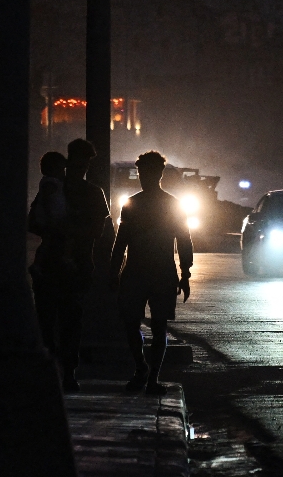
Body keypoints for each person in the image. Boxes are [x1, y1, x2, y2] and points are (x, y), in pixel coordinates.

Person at [109, 151, 193, 395]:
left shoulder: (133, 203)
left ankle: (145, 372)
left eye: (146, 172)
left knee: (145, 324)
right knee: (151, 325)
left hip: (140, 270)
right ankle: (149, 374)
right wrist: (184, 272)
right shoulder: (170, 204)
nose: (144, 176)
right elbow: (184, 240)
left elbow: (121, 241)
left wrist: (114, 271)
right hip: (158, 271)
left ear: (156, 174)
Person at [30, 141, 109, 392]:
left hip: (67, 263)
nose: (81, 167)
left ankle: (60, 371)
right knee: (63, 321)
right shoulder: (75, 190)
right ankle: (62, 372)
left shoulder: (81, 191)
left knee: (60, 320)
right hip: (68, 263)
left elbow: (98, 231)